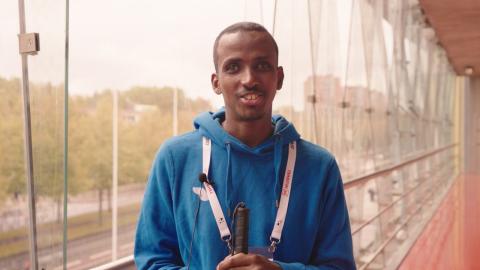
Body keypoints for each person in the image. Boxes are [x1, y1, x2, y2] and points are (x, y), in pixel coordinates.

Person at [134, 22, 355, 270]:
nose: (249, 79)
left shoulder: (319, 165)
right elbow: (152, 261)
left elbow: (340, 266)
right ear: (216, 82)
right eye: (233, 67)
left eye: (261, 66)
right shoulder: (175, 159)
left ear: (279, 77)